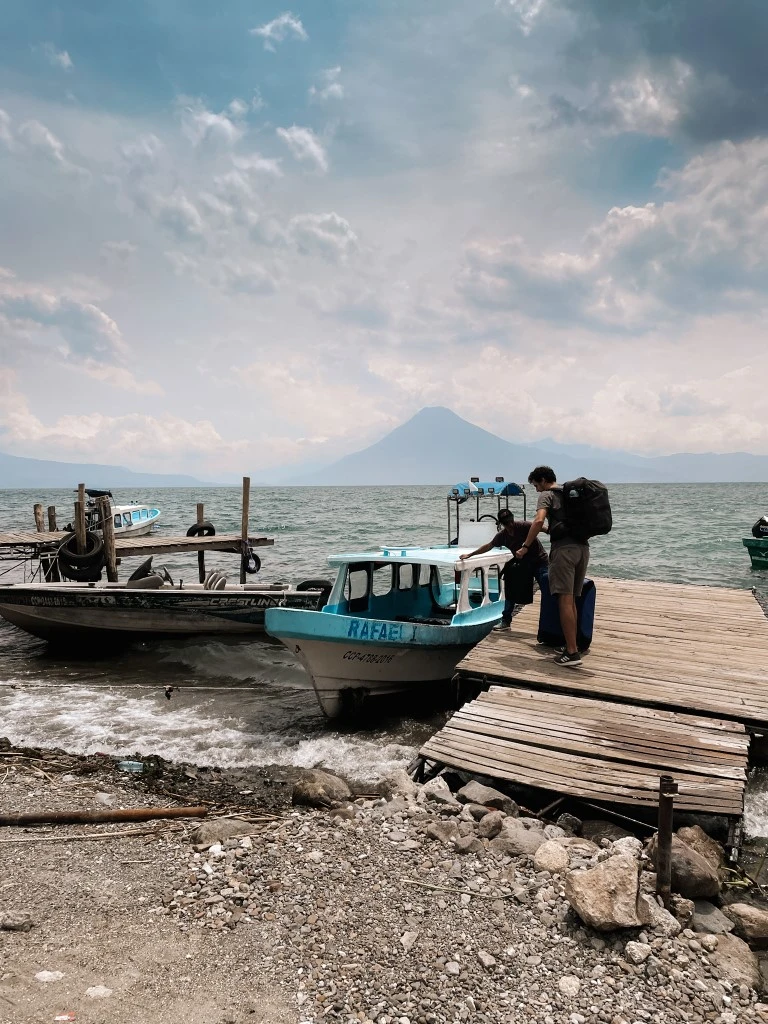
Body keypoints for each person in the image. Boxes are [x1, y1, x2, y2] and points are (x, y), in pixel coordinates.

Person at [516, 466, 589, 668]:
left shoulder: (547, 495)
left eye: (536, 485)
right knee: (572, 599)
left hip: (563, 551)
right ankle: (571, 645)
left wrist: (525, 546)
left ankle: (572, 653)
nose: (537, 490)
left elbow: (539, 520)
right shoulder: (569, 493)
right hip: (582, 549)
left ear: (543, 480)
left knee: (564, 601)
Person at [459, 507, 548, 631]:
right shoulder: (502, 536)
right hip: (522, 564)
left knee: (547, 589)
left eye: (511, 521)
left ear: (513, 519)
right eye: (506, 523)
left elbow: (542, 527)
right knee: (510, 590)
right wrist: (470, 555)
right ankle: (506, 621)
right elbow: (488, 546)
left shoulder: (523, 525)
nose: (510, 525)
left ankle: (552, 622)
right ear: (502, 524)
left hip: (540, 561)